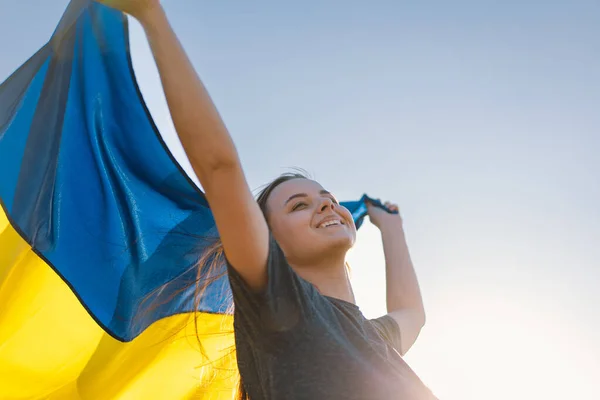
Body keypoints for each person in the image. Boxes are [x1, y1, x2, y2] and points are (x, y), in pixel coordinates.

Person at [98, 1, 437, 399]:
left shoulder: (375, 337)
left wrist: (391, 227)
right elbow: (220, 168)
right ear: (269, 242)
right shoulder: (284, 308)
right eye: (299, 205)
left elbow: (413, 314)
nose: (326, 205)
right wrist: (152, 17)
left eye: (326, 198)